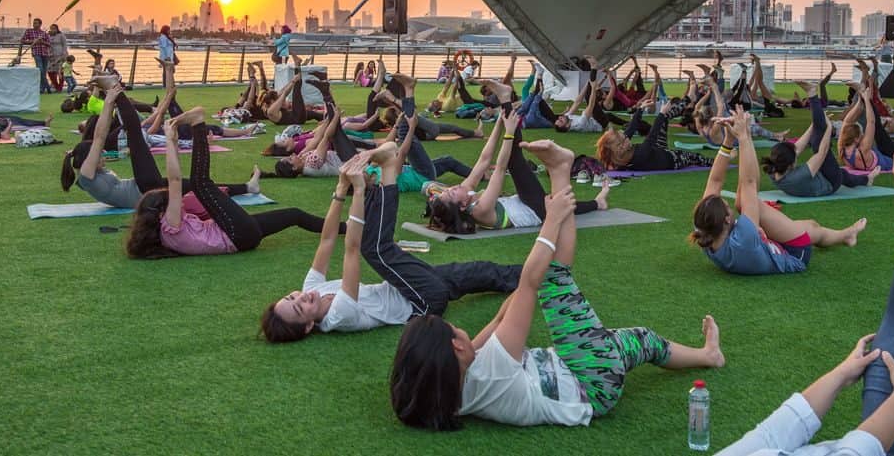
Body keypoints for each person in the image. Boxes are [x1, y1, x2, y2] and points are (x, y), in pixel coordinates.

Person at [390, 137, 724, 430]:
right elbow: (532, 283)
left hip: (584, 372)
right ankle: (561, 170)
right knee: (551, 278)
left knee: (644, 340)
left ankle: (708, 355)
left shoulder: (456, 384)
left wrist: (521, 293)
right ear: (456, 348)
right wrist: (550, 221)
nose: (458, 329)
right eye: (452, 330)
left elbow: (499, 321)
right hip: (590, 379)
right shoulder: (492, 372)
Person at [717, 151, 894, 455]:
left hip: (792, 244)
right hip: (796, 252)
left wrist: (842, 373)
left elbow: (773, 435)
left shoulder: (726, 246)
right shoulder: (744, 235)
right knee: (884, 360)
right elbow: (855, 452)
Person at [262, 152, 521, 342]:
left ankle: (542, 274)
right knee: (374, 250)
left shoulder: (311, 289)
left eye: (291, 296)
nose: (301, 297)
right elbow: (351, 249)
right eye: (299, 307)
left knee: (483, 271)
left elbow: (328, 239)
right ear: (308, 326)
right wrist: (358, 192)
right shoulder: (339, 317)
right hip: (423, 302)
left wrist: (341, 189)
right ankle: (388, 172)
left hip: (409, 284)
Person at [125, 106, 345, 258]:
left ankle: (348, 227)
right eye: (172, 200)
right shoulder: (170, 226)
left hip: (241, 233)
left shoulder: (167, 232)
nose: (179, 199)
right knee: (201, 184)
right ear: (161, 213)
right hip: (234, 234)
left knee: (294, 214)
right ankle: (199, 124)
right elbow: (174, 180)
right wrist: (171, 141)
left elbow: (174, 185)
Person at [691, 107, 867, 276]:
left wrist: (729, 140)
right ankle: (846, 234)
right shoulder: (743, 241)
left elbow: (715, 181)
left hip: (760, 247)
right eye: (726, 207)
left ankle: (845, 235)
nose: (730, 209)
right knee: (810, 226)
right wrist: (744, 136)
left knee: (745, 201)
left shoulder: (705, 231)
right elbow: (750, 183)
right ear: (727, 219)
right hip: (796, 254)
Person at [424, 80, 610, 235]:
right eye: (452, 193)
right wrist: (509, 132)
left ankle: (598, 203)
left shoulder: (465, 194)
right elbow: (501, 168)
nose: (454, 187)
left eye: (449, 190)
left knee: (562, 203)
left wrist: (499, 123)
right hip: (535, 211)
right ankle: (505, 97)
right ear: (463, 206)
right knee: (515, 160)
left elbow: (484, 159)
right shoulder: (481, 210)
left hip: (525, 201)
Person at [61, 82, 260, 208]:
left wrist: (109, 103)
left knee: (197, 184)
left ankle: (248, 187)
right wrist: (110, 101)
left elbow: (99, 139)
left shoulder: (89, 173)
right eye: (99, 156)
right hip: (144, 189)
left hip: (145, 187)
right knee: (134, 133)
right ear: (88, 159)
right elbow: (99, 136)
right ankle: (116, 90)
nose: (103, 155)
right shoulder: (87, 174)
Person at [763, 81, 879, 197]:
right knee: (817, 143)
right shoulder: (797, 177)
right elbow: (822, 152)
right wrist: (828, 128)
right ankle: (812, 93)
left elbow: (797, 147)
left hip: (824, 176)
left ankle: (867, 179)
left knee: (841, 173)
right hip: (830, 182)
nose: (797, 152)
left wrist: (814, 125)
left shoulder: (774, 170)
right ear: (789, 165)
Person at [597, 97, 711, 172]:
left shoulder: (619, 153)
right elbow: (652, 136)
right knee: (696, 157)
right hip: (671, 159)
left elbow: (631, 128)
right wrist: (660, 113)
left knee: (665, 118)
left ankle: (687, 100)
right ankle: (714, 162)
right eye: (624, 138)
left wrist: (640, 109)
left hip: (657, 149)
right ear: (621, 147)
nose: (627, 136)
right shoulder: (640, 156)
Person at [839, 84, 894, 173]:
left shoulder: (842, 149)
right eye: (861, 135)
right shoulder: (863, 149)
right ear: (856, 139)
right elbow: (872, 122)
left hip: (880, 152)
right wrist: (866, 100)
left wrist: (859, 101)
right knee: (879, 130)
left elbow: (847, 122)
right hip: (889, 157)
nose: (863, 135)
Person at [19, 18, 51, 94]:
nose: (34, 24)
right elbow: (22, 40)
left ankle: (43, 89)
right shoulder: (29, 31)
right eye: (34, 23)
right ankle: (47, 88)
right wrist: (33, 41)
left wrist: (42, 42)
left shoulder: (44, 33)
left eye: (36, 23)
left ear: (40, 24)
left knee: (44, 72)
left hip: (45, 54)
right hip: (36, 53)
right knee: (40, 70)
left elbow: (49, 44)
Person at [46, 24, 68, 92]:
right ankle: (56, 86)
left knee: (61, 72)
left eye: (54, 28)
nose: (52, 30)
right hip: (51, 56)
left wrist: (64, 54)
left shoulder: (61, 35)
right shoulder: (48, 36)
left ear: (57, 29)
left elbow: (64, 45)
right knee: (50, 71)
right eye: (51, 28)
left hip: (60, 55)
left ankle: (60, 87)